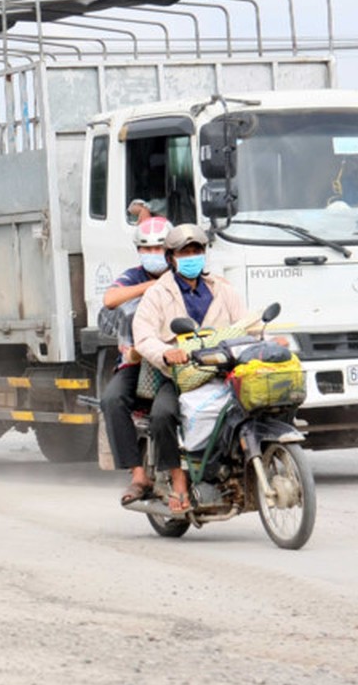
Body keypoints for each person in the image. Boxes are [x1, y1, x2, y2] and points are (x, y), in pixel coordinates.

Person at [132, 224, 249, 515]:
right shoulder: (157, 294)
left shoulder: (222, 288)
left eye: (197, 251)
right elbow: (144, 336)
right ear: (171, 257)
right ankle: (178, 481)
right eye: (185, 252)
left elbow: (246, 326)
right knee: (163, 415)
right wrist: (166, 353)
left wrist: (269, 341)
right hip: (182, 376)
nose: (192, 256)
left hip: (224, 370)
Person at [99, 215, 171, 507]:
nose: (153, 254)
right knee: (112, 399)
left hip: (175, 361)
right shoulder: (134, 277)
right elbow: (110, 299)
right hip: (137, 362)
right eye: (147, 249)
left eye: (159, 248)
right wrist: (150, 287)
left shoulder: (185, 277)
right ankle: (138, 474)